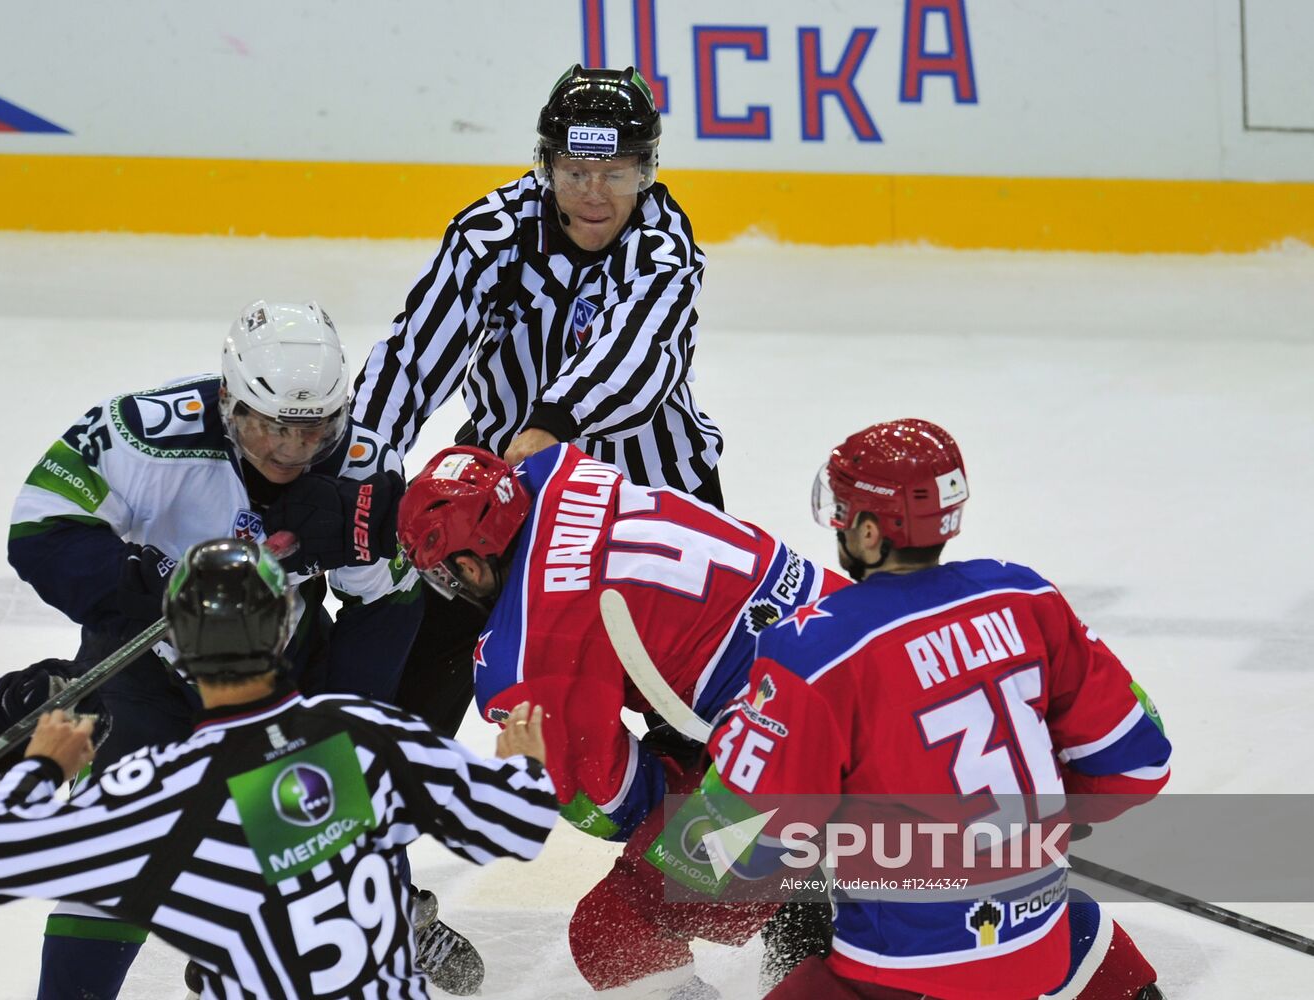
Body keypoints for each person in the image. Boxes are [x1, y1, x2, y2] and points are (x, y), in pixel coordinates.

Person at [4, 301, 424, 999]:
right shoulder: (145, 432)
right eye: (271, 427)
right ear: (229, 400)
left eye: (314, 427)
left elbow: (386, 603)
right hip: (146, 671)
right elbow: (40, 524)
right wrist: (145, 581)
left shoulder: (363, 466)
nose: (292, 448)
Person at [0, 537, 556, 1000]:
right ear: (282, 633)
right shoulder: (366, 736)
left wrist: (30, 758)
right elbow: (517, 816)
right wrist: (525, 767)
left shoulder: (152, 786)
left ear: (183, 650)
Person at [702, 419, 1172, 999]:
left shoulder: (812, 650)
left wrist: (732, 738)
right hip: (1037, 943)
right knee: (1072, 921)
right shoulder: (1025, 597)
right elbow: (1139, 768)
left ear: (870, 532)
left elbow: (742, 852)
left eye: (845, 512)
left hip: (901, 970)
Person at [343, 63, 725, 740]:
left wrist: (550, 423)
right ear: (545, 165)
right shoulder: (491, 233)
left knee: (692, 685)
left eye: (616, 172)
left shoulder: (665, 247)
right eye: (573, 170)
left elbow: (636, 356)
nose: (594, 193)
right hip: (497, 495)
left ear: (647, 170)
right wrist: (360, 459)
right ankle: (359, 806)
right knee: (420, 653)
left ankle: (685, 828)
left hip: (651, 492)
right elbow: (416, 354)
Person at [388, 441, 846, 997]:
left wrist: (554, 775)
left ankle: (794, 873)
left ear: (467, 565)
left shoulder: (526, 656)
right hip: (876, 662)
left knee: (613, 932)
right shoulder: (555, 471)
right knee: (705, 757)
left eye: (445, 577)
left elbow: (616, 805)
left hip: (806, 752)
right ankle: (808, 915)